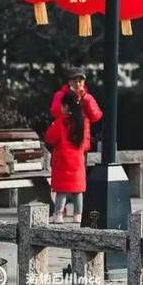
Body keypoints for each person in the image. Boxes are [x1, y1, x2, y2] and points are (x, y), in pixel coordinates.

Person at [45, 91, 98, 223]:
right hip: (78, 160)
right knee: (78, 190)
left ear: (67, 106)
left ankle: (58, 215)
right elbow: (86, 144)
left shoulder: (60, 122)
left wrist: (52, 126)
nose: (60, 108)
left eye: (62, 105)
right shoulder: (84, 122)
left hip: (62, 160)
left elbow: (50, 138)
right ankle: (78, 215)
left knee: (61, 190)